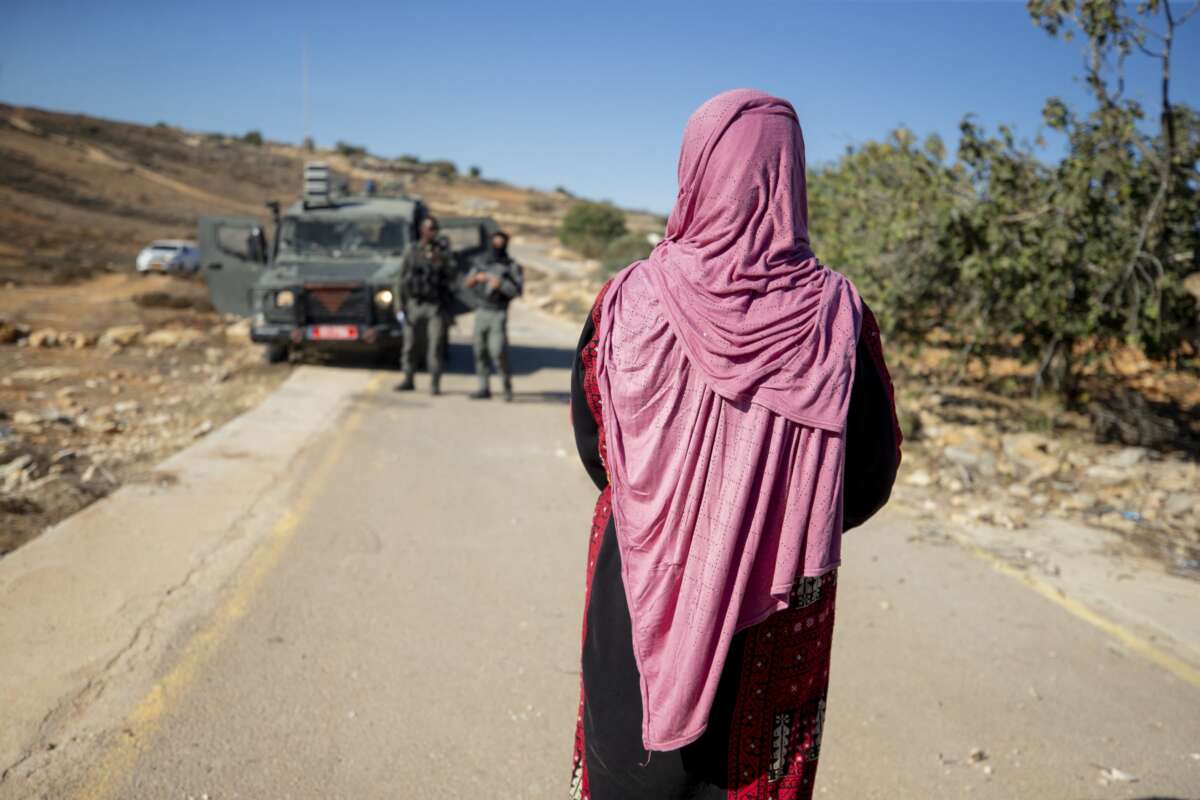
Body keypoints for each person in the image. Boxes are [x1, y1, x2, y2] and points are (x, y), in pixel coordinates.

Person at [567, 90, 902, 800]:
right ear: (791, 175)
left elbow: (597, 448)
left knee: (629, 765)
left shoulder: (626, 299)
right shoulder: (840, 314)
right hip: (778, 594)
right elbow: (870, 475)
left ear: (695, 168)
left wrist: (669, 507)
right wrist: (772, 517)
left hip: (638, 575)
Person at [395, 217, 452, 395]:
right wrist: (399, 305)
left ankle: (435, 383)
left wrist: (440, 259)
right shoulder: (411, 250)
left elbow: (453, 275)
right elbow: (399, 280)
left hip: (435, 306)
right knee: (410, 345)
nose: (433, 232)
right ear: (422, 230)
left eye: (435, 229)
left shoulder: (442, 252)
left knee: (435, 346)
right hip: (414, 304)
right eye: (430, 229)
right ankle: (408, 379)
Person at [464, 231, 523, 401]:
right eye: (495, 243)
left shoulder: (511, 266)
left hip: (498, 312)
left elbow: (517, 291)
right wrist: (477, 278)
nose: (497, 246)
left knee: (497, 351)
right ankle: (484, 387)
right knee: (479, 350)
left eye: (501, 243)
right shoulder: (481, 263)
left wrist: (501, 284)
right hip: (482, 311)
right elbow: (467, 283)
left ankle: (506, 387)